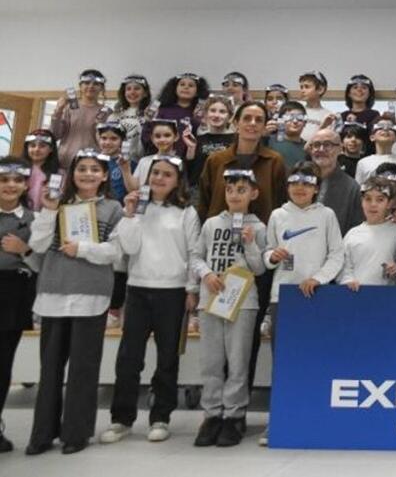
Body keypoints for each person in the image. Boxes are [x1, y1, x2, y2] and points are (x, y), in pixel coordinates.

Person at [25, 149, 124, 455]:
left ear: (105, 176)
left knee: (84, 368)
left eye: (95, 169)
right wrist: (49, 211)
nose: (88, 174)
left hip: (91, 296)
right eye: (82, 169)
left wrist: (82, 248)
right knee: (50, 369)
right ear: (71, 174)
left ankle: (76, 433)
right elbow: (37, 245)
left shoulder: (112, 208)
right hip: (53, 294)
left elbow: (116, 253)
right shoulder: (57, 205)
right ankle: (42, 433)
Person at [102, 155, 201, 445]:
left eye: (166, 174)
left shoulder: (187, 212)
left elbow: (194, 252)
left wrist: (191, 289)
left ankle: (161, 416)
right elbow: (127, 248)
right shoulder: (134, 208)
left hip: (172, 292)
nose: (159, 178)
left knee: (167, 358)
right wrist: (130, 215)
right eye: (155, 173)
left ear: (177, 180)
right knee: (129, 359)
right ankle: (121, 419)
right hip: (138, 289)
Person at [260, 161, 346, 446]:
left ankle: (316, 418)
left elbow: (336, 255)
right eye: (295, 182)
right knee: (282, 362)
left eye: (307, 183)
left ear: (315, 188)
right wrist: (272, 257)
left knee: (317, 360)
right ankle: (280, 421)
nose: (300, 188)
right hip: (282, 297)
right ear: (288, 186)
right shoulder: (277, 215)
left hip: (317, 297)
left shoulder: (327, 215)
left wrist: (319, 279)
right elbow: (266, 255)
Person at [190, 168, 267, 448]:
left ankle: (234, 415)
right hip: (211, 298)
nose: (235, 195)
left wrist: (249, 244)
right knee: (210, 361)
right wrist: (206, 274)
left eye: (242, 190)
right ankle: (212, 414)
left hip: (243, 301)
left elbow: (259, 268)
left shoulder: (258, 227)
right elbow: (196, 257)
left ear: (253, 193)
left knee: (237, 361)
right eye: (230, 190)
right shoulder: (211, 224)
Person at [195, 102, 287, 224]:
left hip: (261, 235)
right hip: (219, 236)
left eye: (259, 120)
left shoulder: (274, 161)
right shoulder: (216, 160)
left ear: (264, 127)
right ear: (236, 123)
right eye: (247, 118)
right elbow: (204, 203)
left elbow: (281, 203)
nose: (252, 123)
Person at [0, 158, 35, 453]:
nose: (10, 185)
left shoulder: (34, 219)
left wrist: (24, 250)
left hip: (14, 292)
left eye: (17, 180)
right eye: (3, 180)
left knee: (3, 362)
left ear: (25, 185)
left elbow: (41, 262)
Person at [340, 177, 396, 291]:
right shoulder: (352, 234)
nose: (373, 204)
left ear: (389, 203)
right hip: (356, 295)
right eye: (368, 199)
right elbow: (343, 266)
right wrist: (347, 280)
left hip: (389, 297)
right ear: (362, 202)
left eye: (380, 200)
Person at [307, 128, 364, 233]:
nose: (321, 149)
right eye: (316, 145)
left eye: (328, 144)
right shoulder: (299, 181)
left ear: (340, 149)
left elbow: (356, 228)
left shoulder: (352, 187)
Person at [51, 69, 108, 162]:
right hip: (65, 161)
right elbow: (55, 135)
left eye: (96, 84)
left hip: (92, 162)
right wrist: (58, 111)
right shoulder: (68, 108)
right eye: (86, 83)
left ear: (101, 88)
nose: (91, 86)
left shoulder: (107, 112)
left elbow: (107, 142)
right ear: (80, 86)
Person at [147, 72, 208, 157]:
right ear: (175, 89)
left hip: (188, 159)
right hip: (161, 156)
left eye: (191, 86)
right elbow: (149, 136)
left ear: (197, 91)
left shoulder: (200, 113)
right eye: (182, 84)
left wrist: (197, 120)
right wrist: (148, 120)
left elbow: (201, 139)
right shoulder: (163, 110)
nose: (186, 87)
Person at [190, 96, 237, 189]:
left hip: (227, 188)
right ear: (206, 114)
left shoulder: (237, 140)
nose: (216, 115)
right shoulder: (198, 139)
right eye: (212, 110)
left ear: (230, 116)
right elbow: (191, 169)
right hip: (199, 190)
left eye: (222, 112)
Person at [113, 74, 152, 163]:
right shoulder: (115, 115)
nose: (132, 92)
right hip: (119, 161)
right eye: (128, 89)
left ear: (145, 93)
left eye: (137, 88)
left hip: (144, 161)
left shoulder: (152, 113)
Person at [354, 119, 396, 185]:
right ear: (372, 137)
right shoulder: (363, 163)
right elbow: (359, 189)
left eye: (390, 128)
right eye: (380, 127)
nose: (385, 129)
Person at [23, 129, 62, 212]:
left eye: (42, 146)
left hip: (45, 215)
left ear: (51, 149)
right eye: (32, 145)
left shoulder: (58, 173)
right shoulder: (20, 168)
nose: (37, 149)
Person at [265, 101, 308, 169]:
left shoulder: (307, 147)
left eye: (299, 118)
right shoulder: (269, 141)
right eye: (289, 117)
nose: (295, 121)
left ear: (305, 122)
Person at [297, 70, 335, 142]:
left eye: (307, 87)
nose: (302, 90)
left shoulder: (328, 115)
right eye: (301, 87)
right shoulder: (296, 111)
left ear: (320, 89)